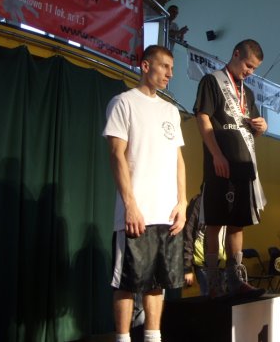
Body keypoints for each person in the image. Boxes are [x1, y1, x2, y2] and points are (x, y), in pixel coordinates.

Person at [103, 45, 187, 342]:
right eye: (164, 66)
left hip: (168, 214)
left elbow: (178, 159)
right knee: (127, 283)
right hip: (137, 213)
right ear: (145, 66)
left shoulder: (170, 110)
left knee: (157, 283)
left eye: (172, 69)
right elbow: (116, 155)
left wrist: (183, 202)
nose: (169, 74)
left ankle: (153, 337)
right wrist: (130, 205)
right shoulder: (123, 102)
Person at [193, 39, 268, 297]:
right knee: (214, 222)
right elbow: (203, 117)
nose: (250, 72)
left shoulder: (248, 93)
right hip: (220, 165)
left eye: (254, 68)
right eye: (248, 65)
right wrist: (216, 154)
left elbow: (250, 130)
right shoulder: (212, 81)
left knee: (238, 224)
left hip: (244, 167)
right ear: (236, 54)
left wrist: (261, 127)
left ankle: (236, 279)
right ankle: (213, 282)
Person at [182, 194, 226, 296]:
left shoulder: (227, 199)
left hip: (224, 262)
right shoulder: (199, 202)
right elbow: (188, 234)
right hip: (203, 263)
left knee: (222, 297)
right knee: (210, 296)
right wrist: (187, 267)